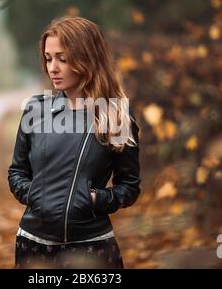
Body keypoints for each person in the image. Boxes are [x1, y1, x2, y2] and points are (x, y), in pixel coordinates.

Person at [8, 16, 141, 269]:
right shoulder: (36, 109)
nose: (53, 68)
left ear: (88, 59)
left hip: (93, 247)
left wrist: (93, 199)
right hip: (34, 246)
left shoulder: (115, 115)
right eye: (48, 59)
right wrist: (36, 194)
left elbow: (129, 187)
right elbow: (17, 172)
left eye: (63, 58)